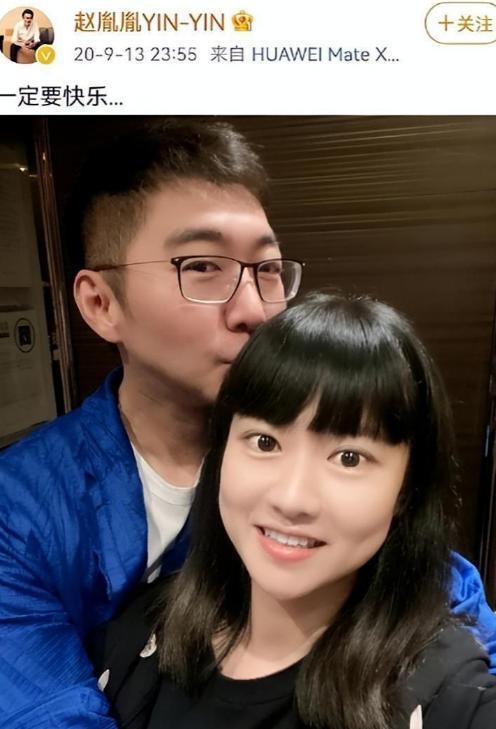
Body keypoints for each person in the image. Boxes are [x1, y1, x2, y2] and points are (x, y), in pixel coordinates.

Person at [0, 121, 494, 729]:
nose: (256, 310)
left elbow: (444, 606)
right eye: (202, 267)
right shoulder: (20, 509)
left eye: (268, 269)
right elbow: (47, 712)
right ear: (102, 304)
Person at [92, 292, 496, 729]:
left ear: (406, 490)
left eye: (349, 458)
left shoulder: (442, 690)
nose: (291, 498)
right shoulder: (145, 629)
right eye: (265, 442)